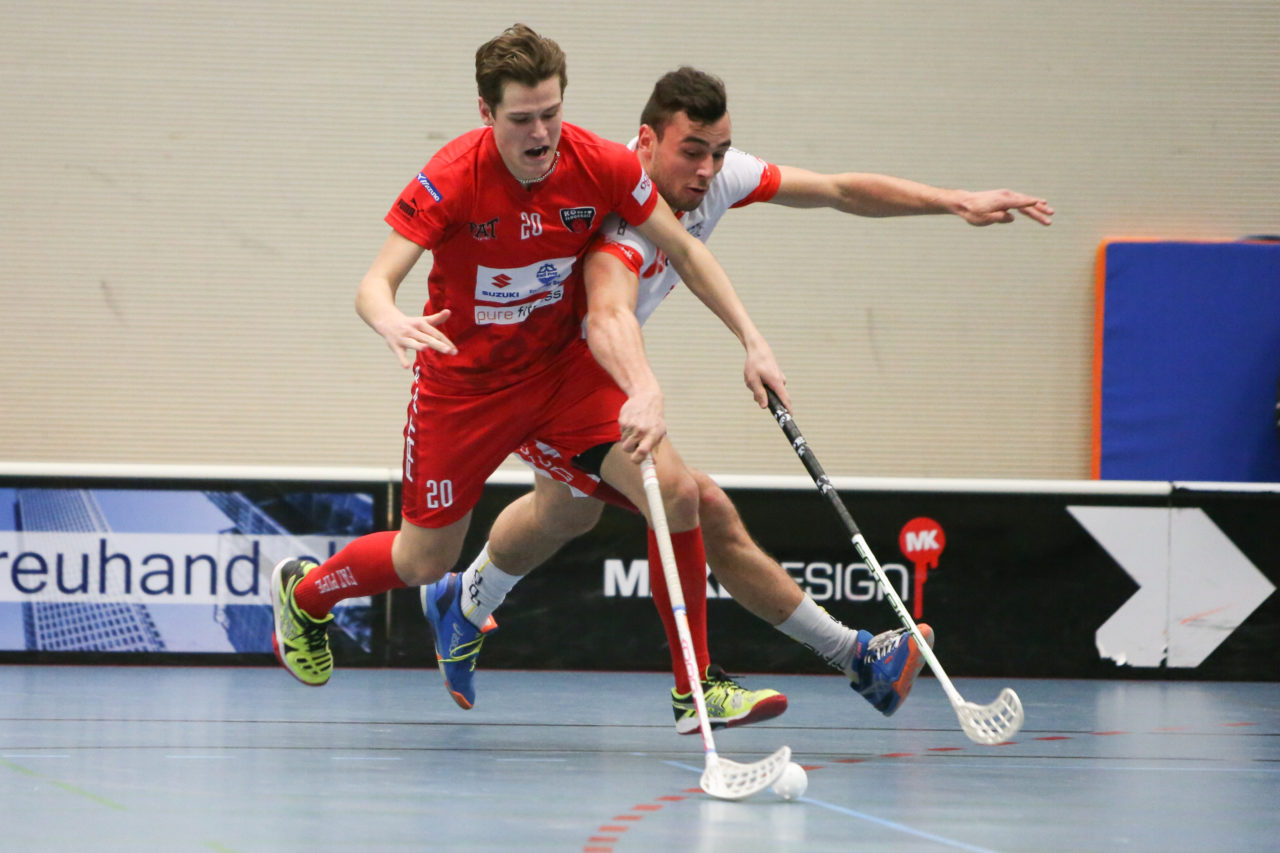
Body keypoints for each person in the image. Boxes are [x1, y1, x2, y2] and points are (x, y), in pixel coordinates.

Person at [426, 66, 1053, 734]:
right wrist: (645, 388)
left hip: (585, 386)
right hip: (553, 384)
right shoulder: (618, 220)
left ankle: (462, 602)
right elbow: (608, 315)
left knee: (564, 513)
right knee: (696, 503)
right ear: (647, 142)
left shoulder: (717, 178)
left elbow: (839, 190)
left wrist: (953, 200)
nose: (707, 170)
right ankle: (816, 664)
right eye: (692, 152)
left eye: (718, 152)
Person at [268, 29, 789, 705]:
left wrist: (752, 339)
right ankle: (306, 594)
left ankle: (696, 690)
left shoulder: (600, 164)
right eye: (521, 119)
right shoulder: (452, 177)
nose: (541, 134)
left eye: (551, 113)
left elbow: (685, 252)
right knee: (423, 559)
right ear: (486, 113)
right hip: (464, 389)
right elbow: (374, 282)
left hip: (561, 375)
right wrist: (389, 317)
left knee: (676, 491)